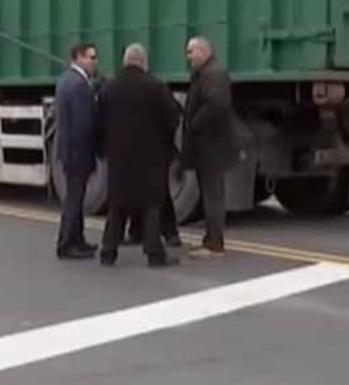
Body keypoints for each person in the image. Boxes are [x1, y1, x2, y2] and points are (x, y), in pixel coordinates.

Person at [97, 44, 181, 267]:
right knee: (152, 205)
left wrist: (107, 146)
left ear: (125, 61)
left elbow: (100, 122)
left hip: (119, 157)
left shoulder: (109, 88)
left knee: (117, 206)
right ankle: (154, 253)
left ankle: (108, 251)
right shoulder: (155, 86)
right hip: (150, 157)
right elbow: (172, 117)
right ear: (143, 62)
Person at [182, 36, 237, 258]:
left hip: (212, 146)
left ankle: (215, 244)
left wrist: (194, 124)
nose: (188, 57)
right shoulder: (206, 73)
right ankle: (210, 239)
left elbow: (217, 104)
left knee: (213, 195)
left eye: (191, 52)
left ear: (203, 52)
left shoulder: (213, 74)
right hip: (208, 145)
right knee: (209, 193)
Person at [55, 42, 100, 260]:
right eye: (91, 57)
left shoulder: (66, 80)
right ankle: (67, 244)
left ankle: (77, 240)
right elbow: (83, 124)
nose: (94, 62)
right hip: (78, 153)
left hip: (69, 152)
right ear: (78, 58)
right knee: (74, 200)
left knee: (77, 198)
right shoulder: (79, 85)